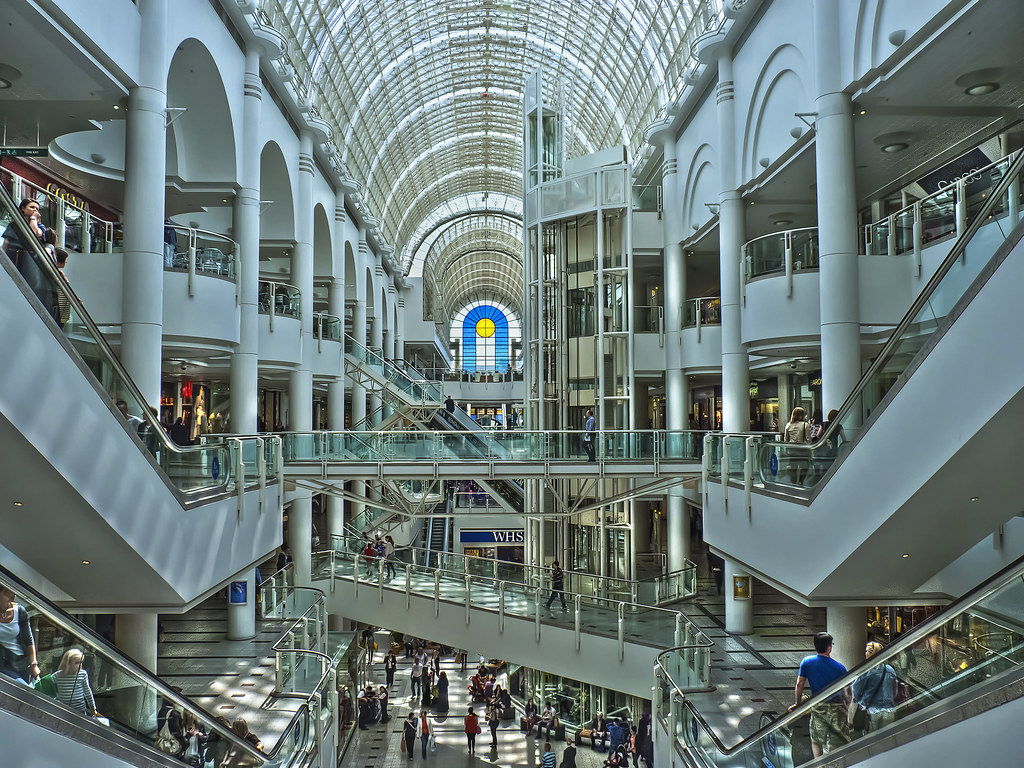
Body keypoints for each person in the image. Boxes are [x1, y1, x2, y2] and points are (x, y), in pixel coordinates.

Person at [791, 631, 850, 757]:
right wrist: (846, 707)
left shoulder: (807, 662)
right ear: (829, 647)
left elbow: (799, 684)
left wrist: (798, 704)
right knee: (836, 739)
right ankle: (833, 764)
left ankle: (819, 764)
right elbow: (848, 692)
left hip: (819, 706)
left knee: (817, 740)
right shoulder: (840, 667)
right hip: (837, 706)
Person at [2, 198, 58, 321]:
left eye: (37, 209)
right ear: (23, 208)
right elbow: (5, 245)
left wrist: (33, 219)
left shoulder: (40, 226)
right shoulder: (14, 225)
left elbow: (34, 233)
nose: (35, 210)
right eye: (32, 207)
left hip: (28, 262)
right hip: (13, 258)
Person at [849, 641, 897, 734]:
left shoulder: (866, 670)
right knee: (887, 740)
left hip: (872, 711)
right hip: (889, 711)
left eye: (869, 651)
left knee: (871, 741)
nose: (866, 653)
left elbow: (856, 691)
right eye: (866, 650)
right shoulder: (890, 670)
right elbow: (895, 691)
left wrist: (859, 701)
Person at [0, 586, 39, 684]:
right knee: (23, 690)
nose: (13, 594)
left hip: (21, 662)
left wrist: (33, 664)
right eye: (9, 589)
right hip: (3, 664)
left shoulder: (20, 611)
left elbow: (28, 640)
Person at [49, 648, 98, 718]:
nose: (80, 665)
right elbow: (47, 684)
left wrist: (93, 708)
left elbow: (87, 691)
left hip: (80, 710)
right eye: (77, 663)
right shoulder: (58, 675)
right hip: (64, 710)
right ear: (68, 663)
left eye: (81, 662)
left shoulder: (82, 674)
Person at [783, 406, 812, 484]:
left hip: (792, 451)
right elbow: (808, 439)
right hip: (802, 450)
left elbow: (786, 440)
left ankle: (794, 483)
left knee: (793, 468)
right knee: (805, 467)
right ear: (801, 415)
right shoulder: (805, 425)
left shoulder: (788, 425)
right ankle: (801, 481)